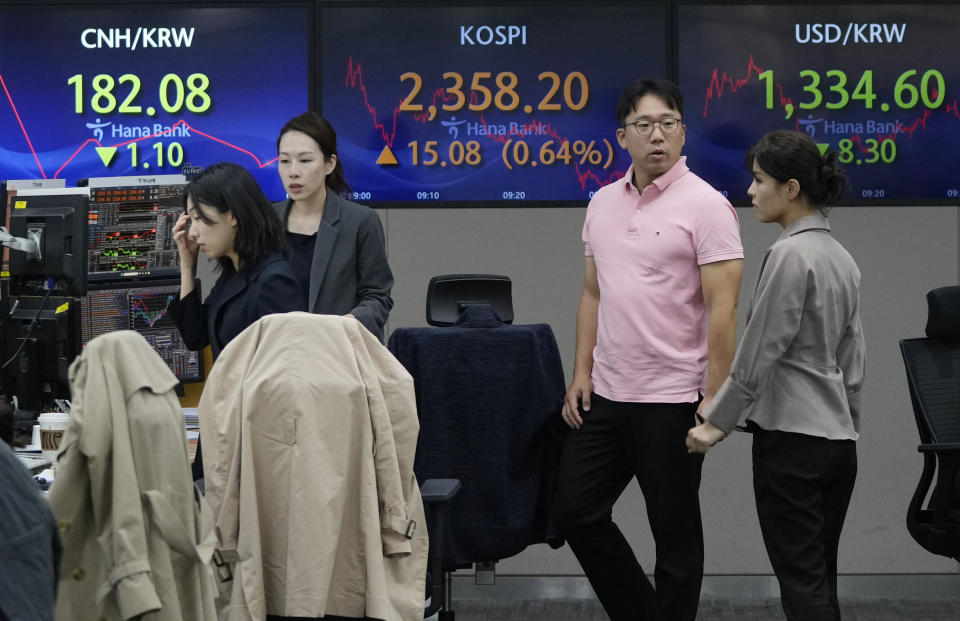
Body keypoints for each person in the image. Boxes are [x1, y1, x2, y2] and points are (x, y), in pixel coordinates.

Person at [554, 78, 744, 621]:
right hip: (609, 393)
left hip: (673, 398)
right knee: (576, 513)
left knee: (675, 540)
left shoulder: (707, 206)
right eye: (644, 125)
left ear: (683, 132)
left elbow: (724, 310)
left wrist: (716, 400)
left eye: (668, 124)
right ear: (622, 136)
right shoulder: (601, 202)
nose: (657, 135)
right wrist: (580, 371)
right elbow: (593, 292)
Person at [687, 130, 863, 621]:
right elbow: (854, 361)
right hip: (837, 447)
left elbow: (760, 349)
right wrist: (847, 425)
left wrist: (715, 423)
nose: (750, 190)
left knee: (803, 588)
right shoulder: (843, 259)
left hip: (791, 445)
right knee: (820, 580)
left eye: (759, 180)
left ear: (790, 189)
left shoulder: (788, 255)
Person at [170, 162, 305, 479]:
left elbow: (287, 377)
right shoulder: (235, 273)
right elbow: (195, 336)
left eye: (200, 218)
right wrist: (187, 267)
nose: (193, 231)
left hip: (258, 441)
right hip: (227, 427)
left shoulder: (273, 280)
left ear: (232, 215)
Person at [274, 112, 394, 342]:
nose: (293, 171)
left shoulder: (360, 221)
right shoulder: (266, 220)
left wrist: (347, 325)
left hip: (339, 352)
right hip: (278, 355)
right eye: (284, 161)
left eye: (305, 160)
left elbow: (378, 297)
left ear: (330, 163)